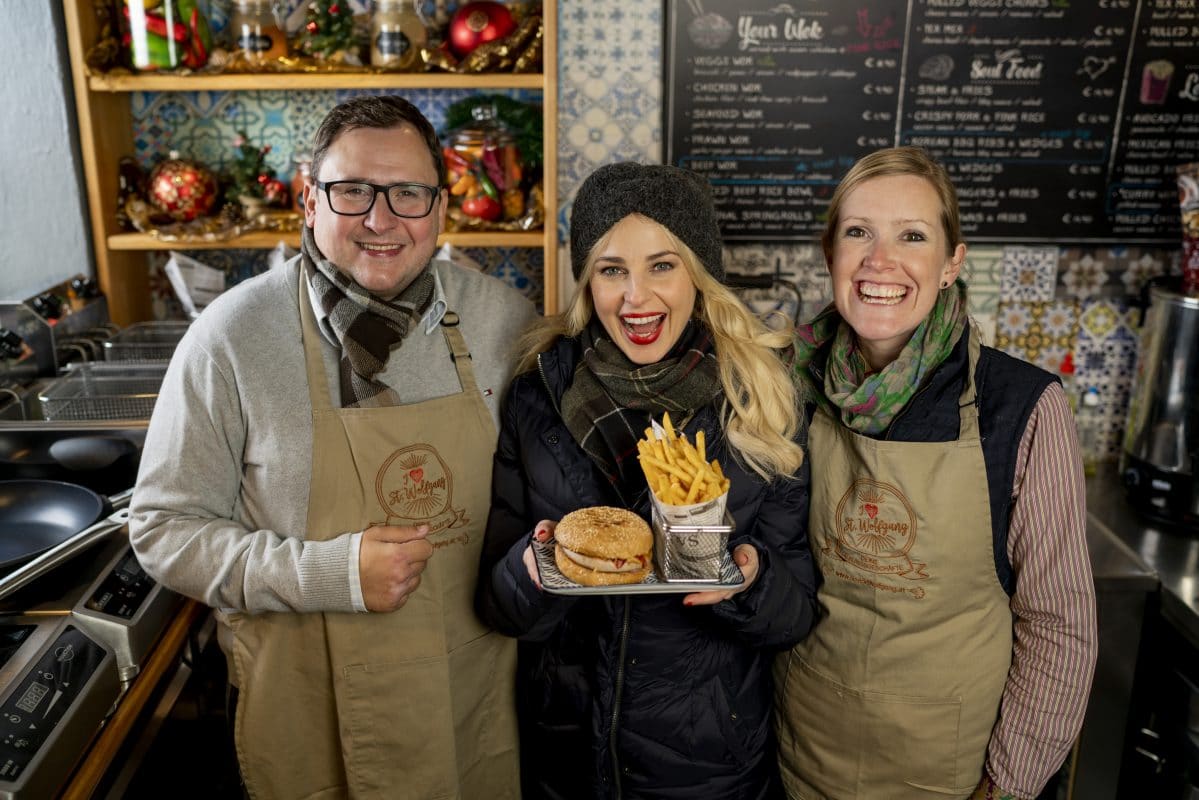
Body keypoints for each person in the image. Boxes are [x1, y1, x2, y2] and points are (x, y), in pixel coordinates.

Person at [129, 94, 538, 798]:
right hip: (309, 704)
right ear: (308, 198)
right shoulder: (232, 337)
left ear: (440, 208)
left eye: (408, 193)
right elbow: (164, 529)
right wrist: (330, 574)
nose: (381, 220)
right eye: (352, 191)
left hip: (465, 695)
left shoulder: (503, 321)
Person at [476, 161, 819, 799]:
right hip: (568, 758)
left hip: (711, 765)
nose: (636, 297)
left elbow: (795, 615)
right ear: (588, 281)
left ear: (698, 273)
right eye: (612, 270)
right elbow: (499, 609)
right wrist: (532, 568)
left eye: (662, 265)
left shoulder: (761, 401)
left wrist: (750, 582)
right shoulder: (538, 395)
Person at [775, 146, 1097, 800]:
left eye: (912, 236)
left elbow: (1060, 626)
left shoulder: (1023, 407)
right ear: (830, 252)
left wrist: (1006, 786)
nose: (880, 260)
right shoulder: (785, 385)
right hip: (798, 755)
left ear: (952, 262)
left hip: (953, 773)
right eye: (857, 232)